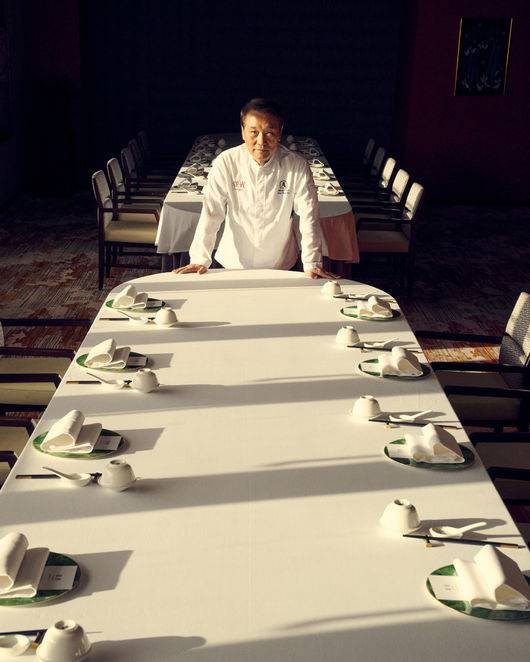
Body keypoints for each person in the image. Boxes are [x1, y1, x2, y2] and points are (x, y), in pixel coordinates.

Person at [173, 98, 337, 279]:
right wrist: (199, 259)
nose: (261, 141)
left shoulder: (296, 165)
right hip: (232, 261)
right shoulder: (226, 162)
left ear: (280, 132)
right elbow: (211, 213)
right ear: (243, 131)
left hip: (280, 263)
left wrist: (312, 263)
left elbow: (308, 216)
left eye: (269, 133)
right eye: (254, 132)